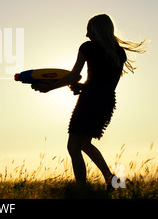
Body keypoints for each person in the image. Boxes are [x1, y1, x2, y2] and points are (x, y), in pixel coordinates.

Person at [33, 14, 146, 188]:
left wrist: (50, 87)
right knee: (85, 143)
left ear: (96, 30)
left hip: (89, 101)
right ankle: (111, 180)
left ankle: (82, 189)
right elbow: (106, 85)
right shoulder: (119, 52)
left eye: (89, 30)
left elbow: (74, 75)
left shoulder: (88, 47)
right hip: (106, 101)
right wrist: (82, 87)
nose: (86, 35)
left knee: (73, 147)